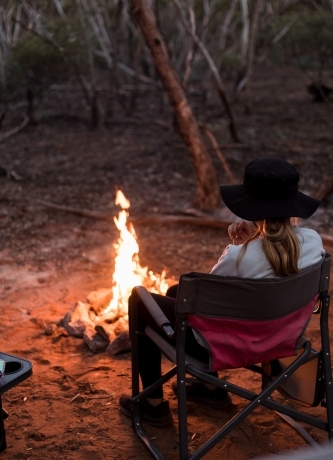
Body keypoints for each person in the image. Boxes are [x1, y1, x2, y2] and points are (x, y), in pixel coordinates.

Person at [119, 158, 325, 427]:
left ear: (251, 206)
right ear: (292, 203)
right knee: (174, 290)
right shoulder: (313, 242)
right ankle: (211, 389)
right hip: (281, 340)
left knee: (139, 300)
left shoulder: (238, 257)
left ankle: (152, 404)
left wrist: (239, 246)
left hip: (225, 347)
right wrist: (250, 243)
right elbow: (273, 259)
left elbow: (208, 304)